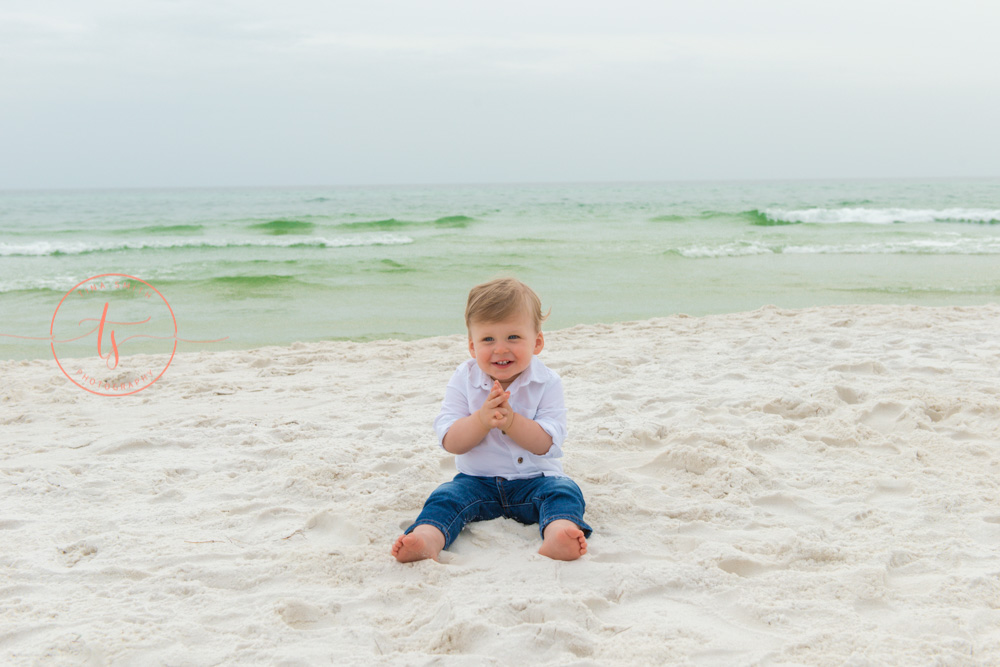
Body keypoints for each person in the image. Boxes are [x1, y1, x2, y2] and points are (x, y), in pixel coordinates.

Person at [392, 277, 592, 563]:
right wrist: (482, 420)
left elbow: (547, 443)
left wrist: (512, 423)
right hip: (476, 483)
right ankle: (427, 538)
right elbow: (450, 440)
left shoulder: (547, 382)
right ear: (472, 347)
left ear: (537, 342)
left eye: (513, 337)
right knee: (446, 496)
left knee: (565, 492)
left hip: (535, 481)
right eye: (488, 339)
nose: (500, 349)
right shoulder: (464, 378)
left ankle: (559, 534)